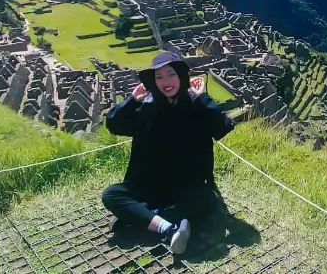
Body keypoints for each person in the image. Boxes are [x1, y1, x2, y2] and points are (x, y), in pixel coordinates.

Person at [101, 50, 236, 254]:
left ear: (181, 76)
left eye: (171, 74)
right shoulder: (147, 109)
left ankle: (145, 217)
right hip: (150, 184)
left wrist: (202, 98)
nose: (166, 81)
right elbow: (114, 124)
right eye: (159, 77)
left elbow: (222, 127)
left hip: (184, 186)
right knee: (111, 194)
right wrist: (132, 100)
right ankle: (169, 227)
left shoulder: (195, 107)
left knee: (208, 201)